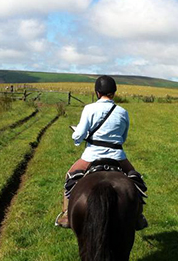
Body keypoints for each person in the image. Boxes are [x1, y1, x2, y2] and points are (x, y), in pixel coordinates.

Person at [55, 75, 148, 229]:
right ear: (114, 92)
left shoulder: (89, 109)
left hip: (92, 155)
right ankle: (138, 215)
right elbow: (123, 137)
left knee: (70, 175)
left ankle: (66, 214)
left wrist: (77, 137)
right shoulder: (123, 112)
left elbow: (79, 135)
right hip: (118, 156)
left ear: (97, 92)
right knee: (136, 178)